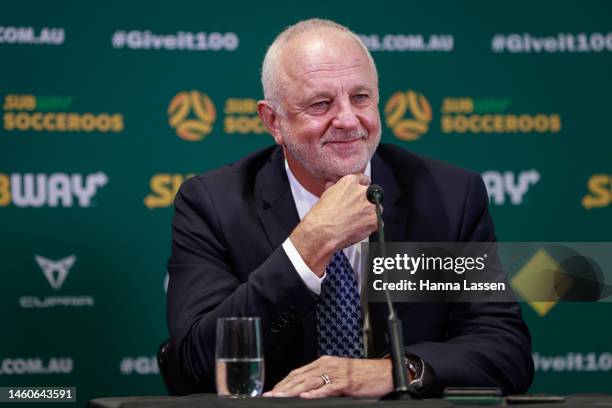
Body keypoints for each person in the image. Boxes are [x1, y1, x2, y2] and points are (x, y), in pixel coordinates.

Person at [166, 18, 533, 398]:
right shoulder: (213, 204)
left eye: (360, 98)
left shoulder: (448, 197)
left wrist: (391, 373)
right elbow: (193, 364)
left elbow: (506, 351)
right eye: (321, 104)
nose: (347, 120)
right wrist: (309, 246)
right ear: (273, 121)